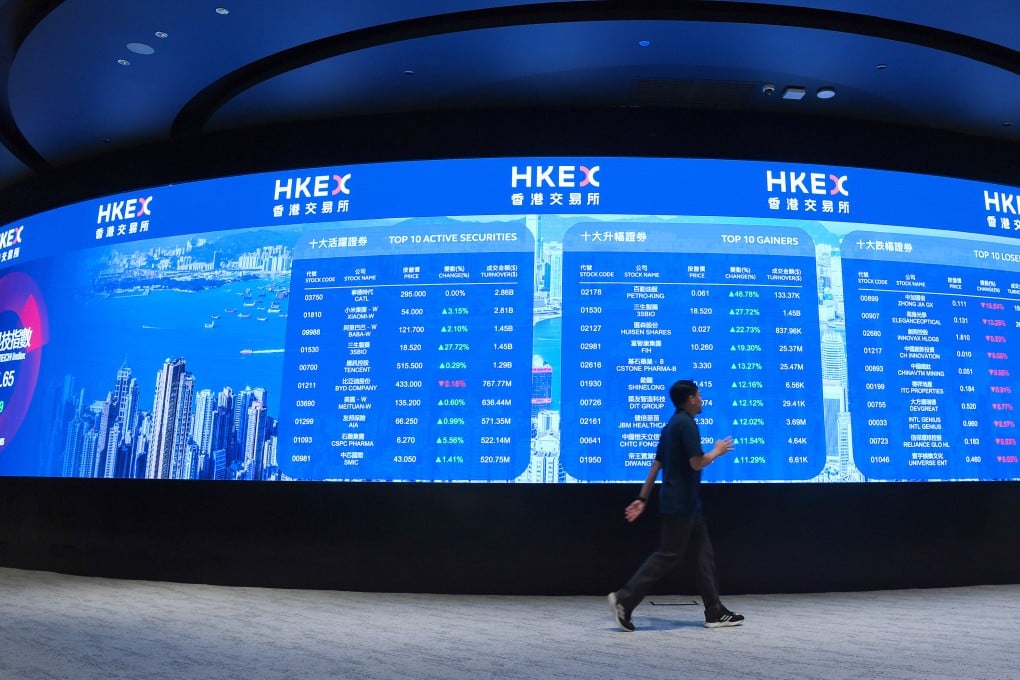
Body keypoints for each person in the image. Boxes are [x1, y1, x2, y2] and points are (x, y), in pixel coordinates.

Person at [607, 379, 744, 630]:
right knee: (668, 555)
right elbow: (697, 462)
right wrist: (717, 451)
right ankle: (624, 600)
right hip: (681, 503)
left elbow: (656, 465)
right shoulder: (686, 424)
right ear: (691, 399)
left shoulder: (670, 426)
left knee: (704, 556)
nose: (702, 400)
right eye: (700, 395)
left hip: (685, 503)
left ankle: (714, 611)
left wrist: (641, 498)